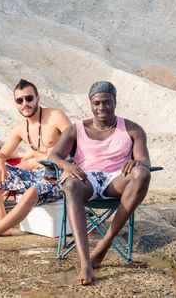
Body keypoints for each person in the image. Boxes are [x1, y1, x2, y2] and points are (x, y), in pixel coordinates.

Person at [47, 81, 152, 286]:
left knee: (142, 174)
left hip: (116, 179)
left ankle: (105, 242)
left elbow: (145, 161)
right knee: (70, 185)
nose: (101, 107)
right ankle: (85, 263)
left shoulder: (132, 129)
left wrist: (137, 162)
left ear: (115, 102)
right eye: (96, 103)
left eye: (106, 102)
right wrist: (66, 166)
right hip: (87, 180)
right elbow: (54, 156)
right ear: (90, 103)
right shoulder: (75, 129)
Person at [0, 79, 71, 252]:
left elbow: (77, 145)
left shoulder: (55, 116)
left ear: (38, 98)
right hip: (35, 175)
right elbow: (3, 153)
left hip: (58, 176)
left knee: (31, 191)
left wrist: (69, 170)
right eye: (19, 100)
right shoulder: (22, 127)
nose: (25, 104)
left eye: (29, 98)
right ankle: (2, 223)